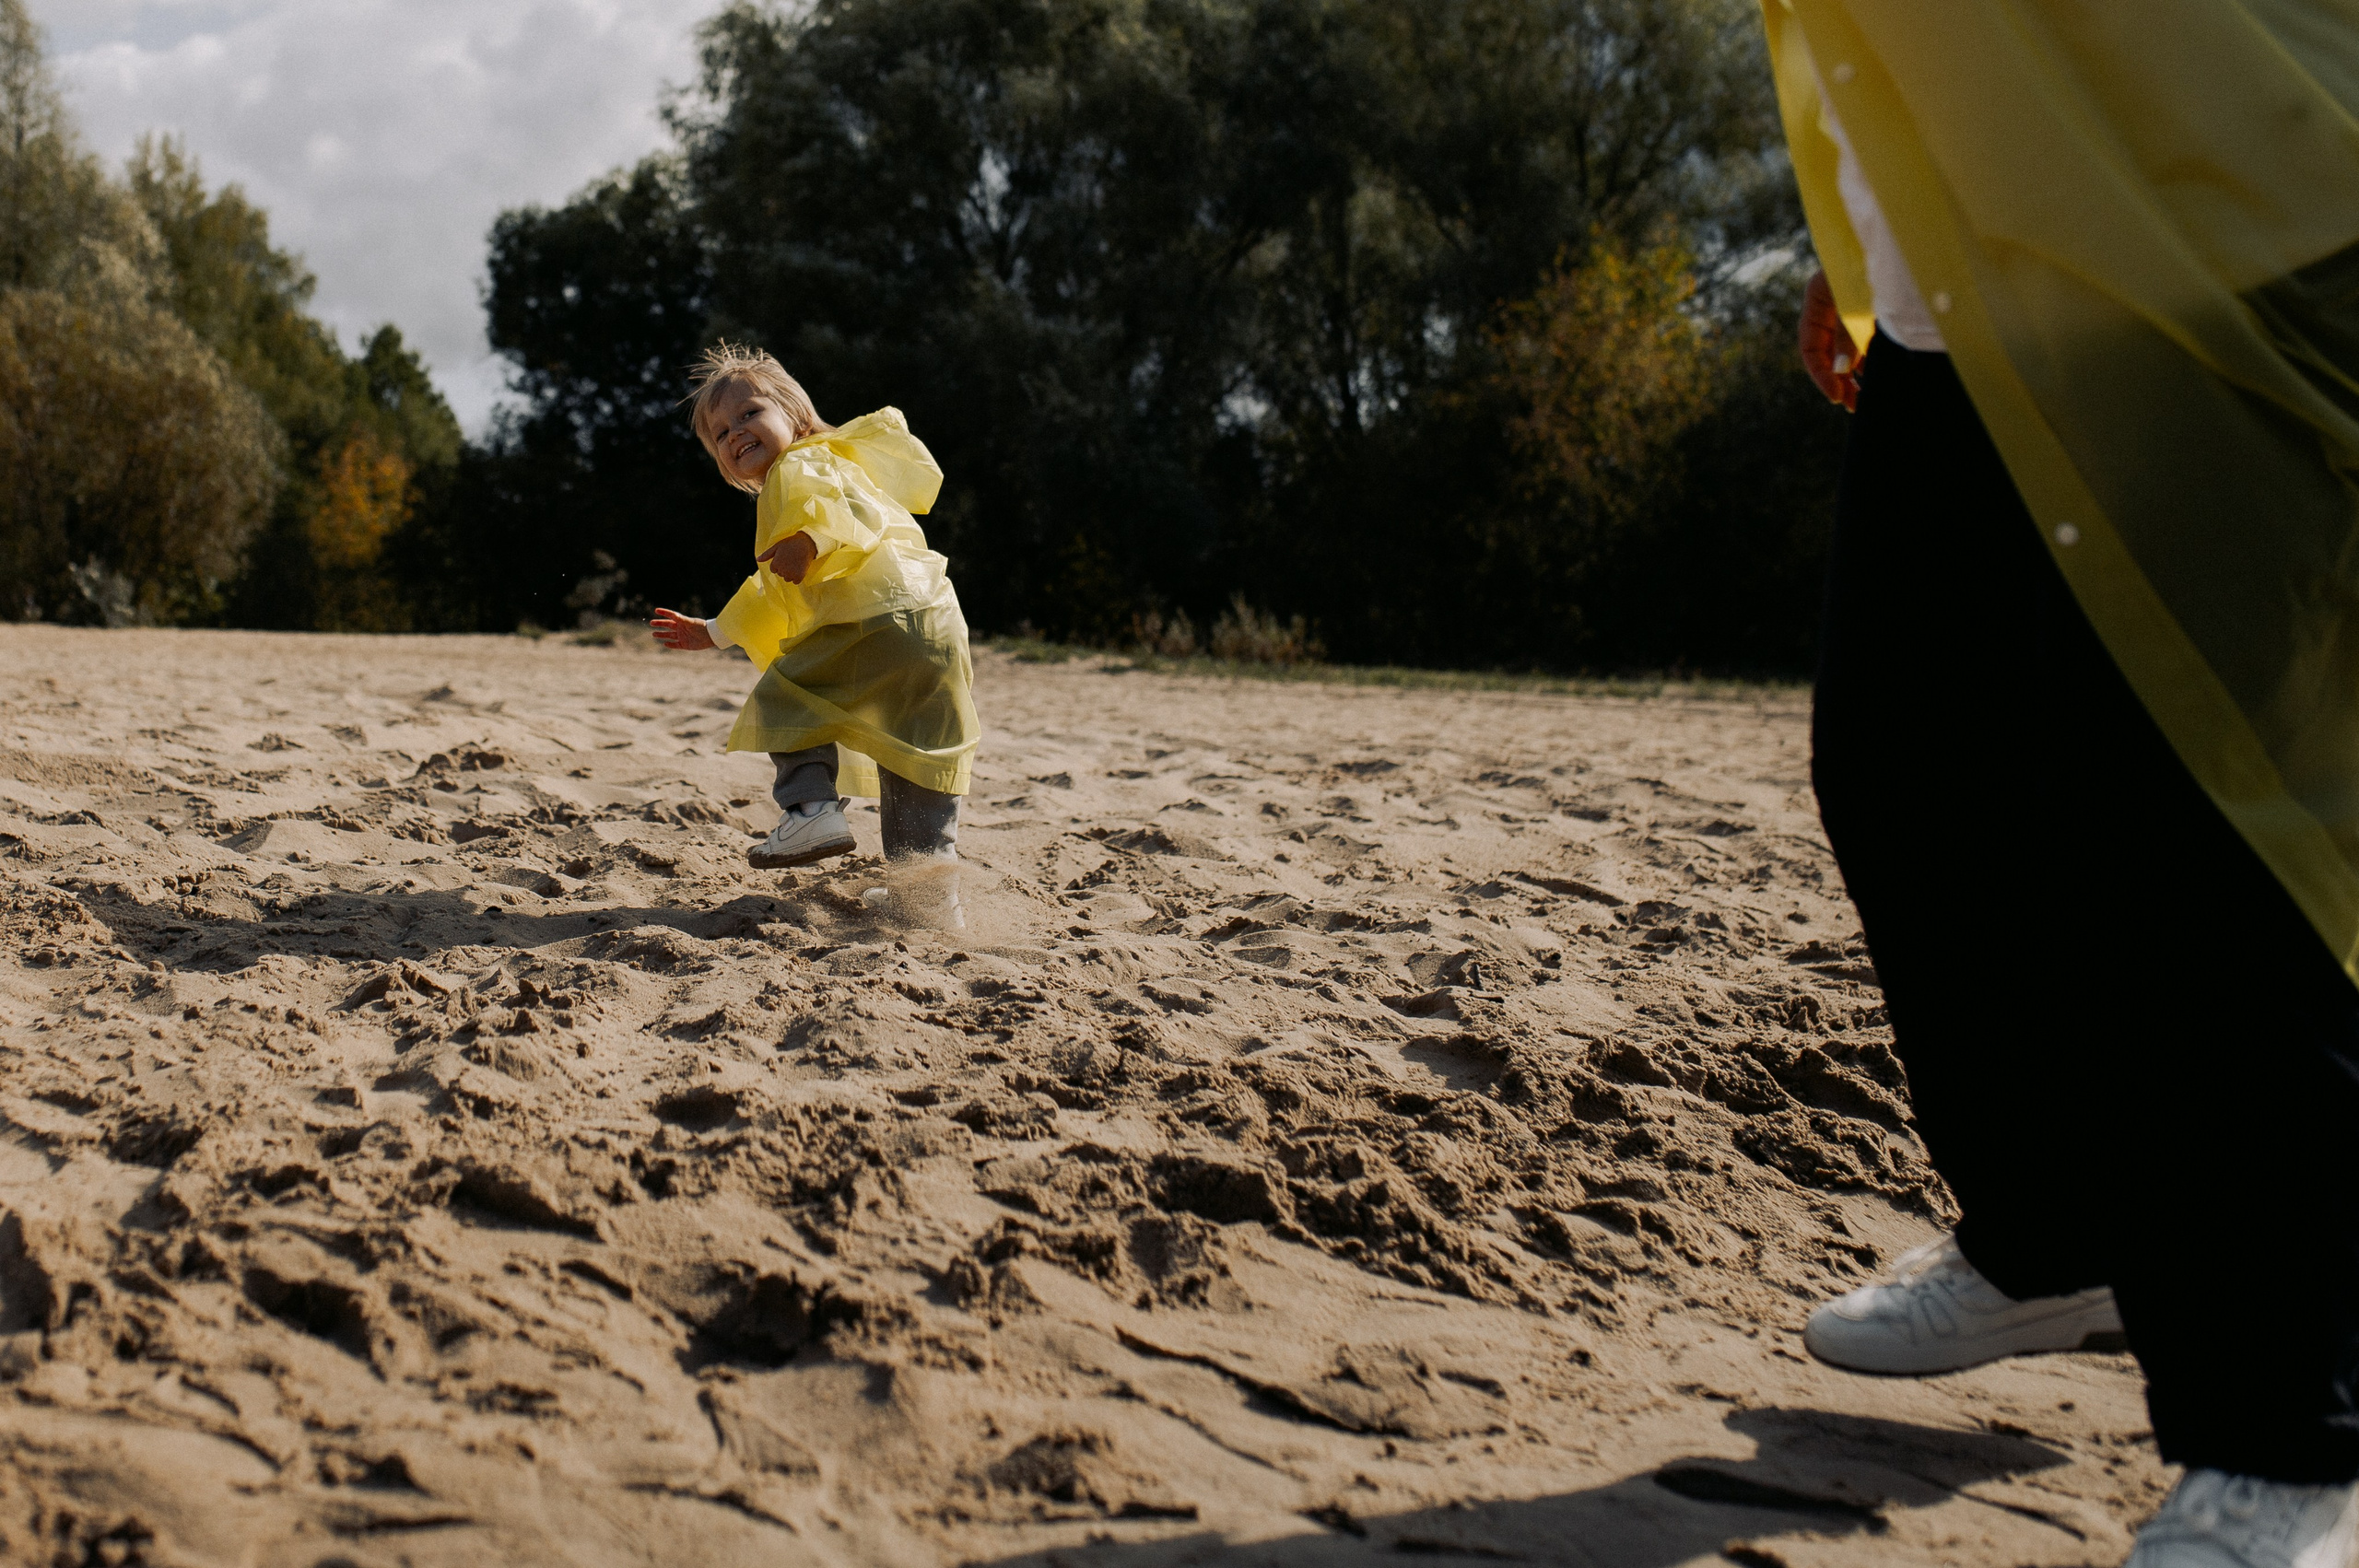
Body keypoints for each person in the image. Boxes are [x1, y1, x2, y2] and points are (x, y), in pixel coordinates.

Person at [1760, 4, 2359, 1564]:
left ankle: (2286, 1440)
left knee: (2195, 839)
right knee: (1900, 775)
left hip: (2184, 259)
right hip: (1965, 298)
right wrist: (1866, 220)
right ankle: (2055, 1236)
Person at [649, 345, 978, 919]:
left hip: (873, 620)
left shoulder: (800, 466)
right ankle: (927, 897)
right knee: (916, 758)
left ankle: (810, 812)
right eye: (721, 432)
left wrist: (811, 540)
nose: (736, 433)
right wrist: (715, 630)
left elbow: (835, 512)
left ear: (795, 415)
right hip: (935, 625)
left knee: (788, 698)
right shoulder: (844, 464)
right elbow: (771, 586)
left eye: (750, 414)